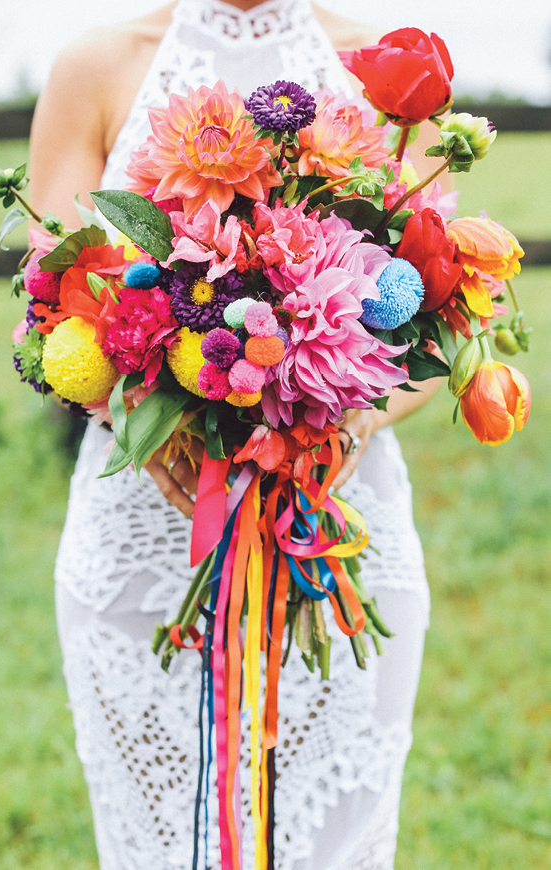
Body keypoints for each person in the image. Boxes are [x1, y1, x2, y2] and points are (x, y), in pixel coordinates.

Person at [30, 2, 449, 868]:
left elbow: (439, 313)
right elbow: (47, 303)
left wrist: (341, 416)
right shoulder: (96, 65)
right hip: (147, 531)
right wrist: (142, 413)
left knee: (334, 842)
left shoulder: (380, 68)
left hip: (334, 526)